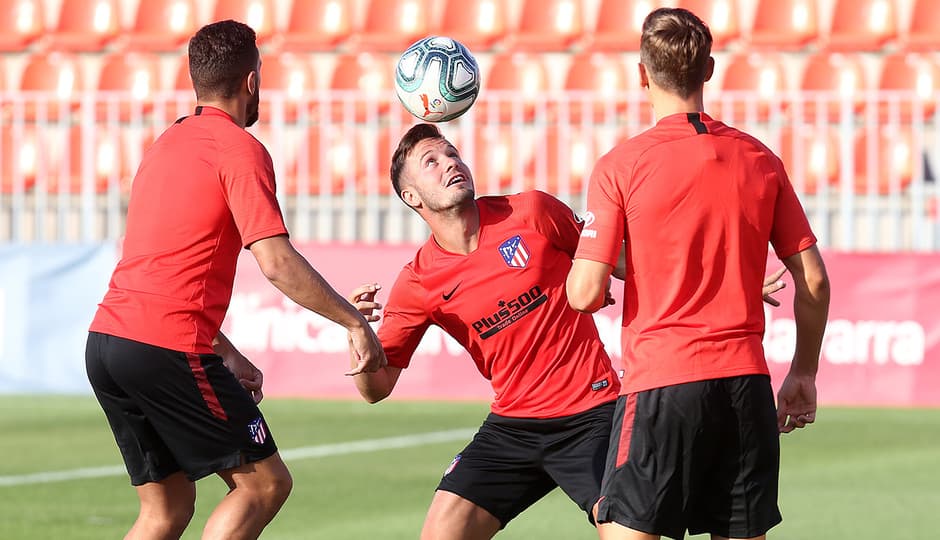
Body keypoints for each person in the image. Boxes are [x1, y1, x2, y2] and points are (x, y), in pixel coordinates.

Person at [346, 123, 788, 540]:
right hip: (511, 427)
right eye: (431, 161)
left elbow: (626, 263)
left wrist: (734, 281)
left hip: (592, 417)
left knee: (629, 533)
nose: (450, 163)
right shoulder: (418, 281)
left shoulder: (532, 212)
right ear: (411, 196)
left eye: (452, 153)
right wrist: (358, 333)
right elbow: (375, 388)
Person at [85, 20, 385, 540]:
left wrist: (224, 350)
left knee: (167, 507)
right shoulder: (240, 149)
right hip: (165, 345)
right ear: (251, 82)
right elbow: (275, 261)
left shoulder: (165, 145)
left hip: (108, 342)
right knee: (263, 486)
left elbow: (159, 268)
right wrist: (353, 322)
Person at [565, 7, 830, 540]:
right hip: (746, 385)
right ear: (708, 70)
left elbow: (584, 292)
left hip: (663, 381)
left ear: (642, 74)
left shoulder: (621, 165)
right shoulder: (760, 158)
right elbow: (815, 281)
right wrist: (802, 373)